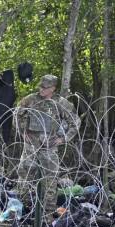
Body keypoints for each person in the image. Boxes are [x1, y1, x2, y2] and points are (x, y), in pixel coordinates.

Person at [13, 74, 79, 216]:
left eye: (45, 87)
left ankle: (47, 213)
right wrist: (22, 132)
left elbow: (75, 122)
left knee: (50, 179)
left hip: (49, 146)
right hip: (31, 145)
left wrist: (64, 139)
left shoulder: (61, 103)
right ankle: (22, 209)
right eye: (41, 86)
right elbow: (17, 115)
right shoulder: (31, 99)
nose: (41, 89)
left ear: (53, 89)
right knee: (25, 175)